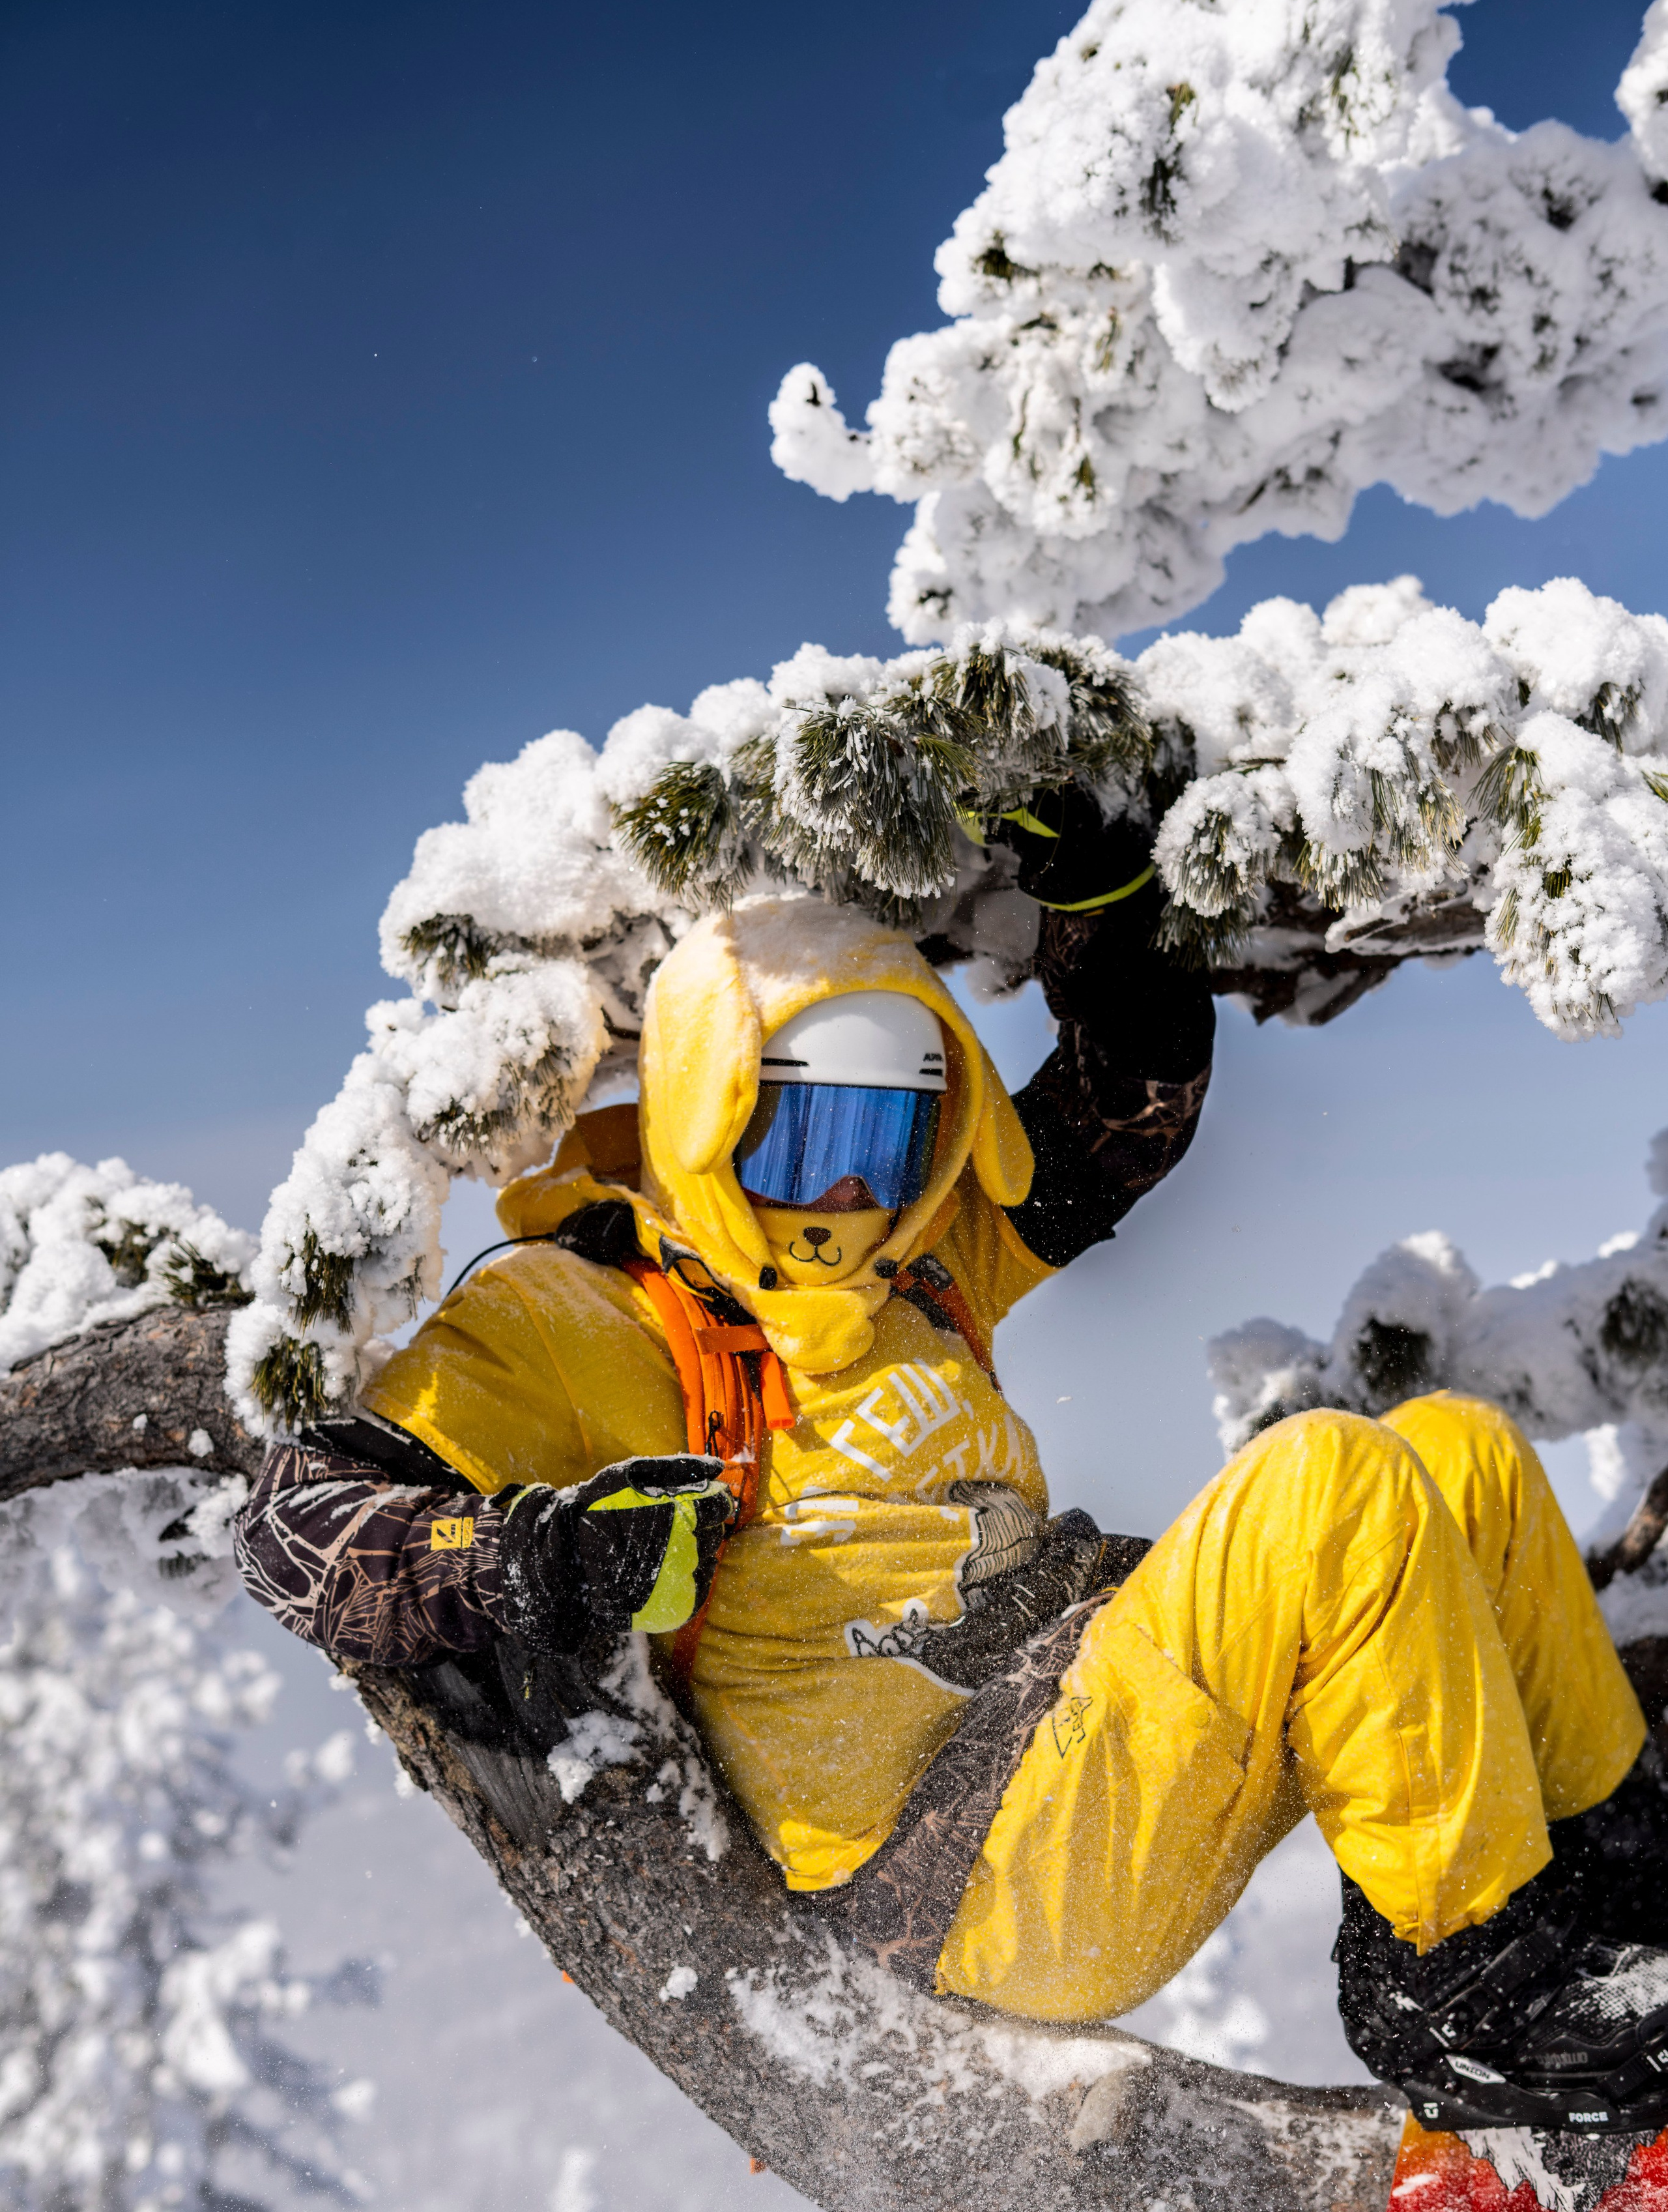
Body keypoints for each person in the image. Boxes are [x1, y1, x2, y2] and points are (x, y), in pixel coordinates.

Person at [235, 794, 1668, 2136]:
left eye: (889, 1131)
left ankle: (1611, 1901)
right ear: (704, 1113)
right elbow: (295, 1519)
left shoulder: (925, 1268)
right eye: (805, 1131)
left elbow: (1126, 1107)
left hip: (1068, 1732)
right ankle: (1474, 2003)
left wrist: (1096, 915)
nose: (852, 1190)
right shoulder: (581, 1313)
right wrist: (528, 1561)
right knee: (1327, 1487)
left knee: (1455, 1457)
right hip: (951, 1875)